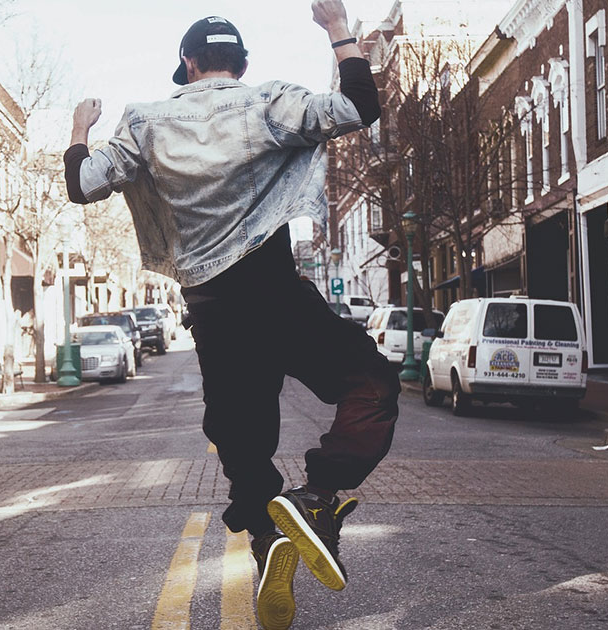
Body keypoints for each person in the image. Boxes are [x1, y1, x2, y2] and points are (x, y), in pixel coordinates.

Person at [64, 3, 398, 627]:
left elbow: (83, 184)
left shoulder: (145, 121)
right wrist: (336, 30)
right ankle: (318, 496)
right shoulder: (269, 103)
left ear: (187, 64)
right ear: (241, 65)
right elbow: (358, 105)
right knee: (371, 384)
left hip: (214, 312)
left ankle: (271, 537)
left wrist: (81, 128)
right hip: (275, 292)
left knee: (242, 445)